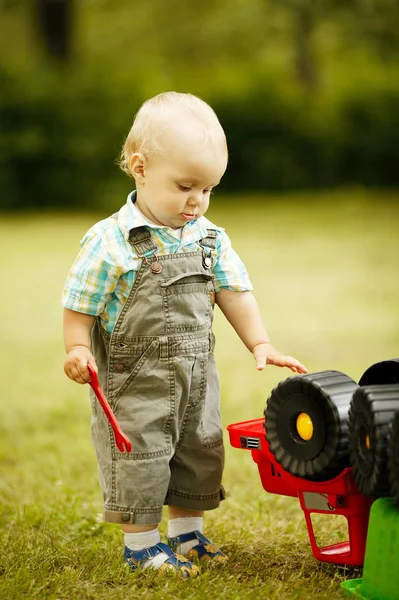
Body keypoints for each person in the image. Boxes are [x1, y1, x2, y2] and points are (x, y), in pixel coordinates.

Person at [62, 91, 307, 578]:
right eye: (186, 186)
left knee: (199, 450)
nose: (197, 201)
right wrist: (75, 346)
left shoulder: (209, 236)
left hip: (196, 374)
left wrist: (260, 341)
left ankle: (187, 533)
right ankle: (143, 546)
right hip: (136, 381)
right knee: (145, 456)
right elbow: (80, 303)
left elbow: (233, 290)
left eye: (208, 189)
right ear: (140, 167)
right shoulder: (111, 240)